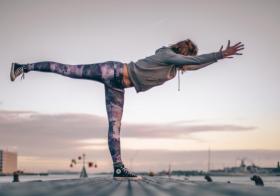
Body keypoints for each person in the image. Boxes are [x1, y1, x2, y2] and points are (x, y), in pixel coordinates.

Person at [10, 39, 244, 180]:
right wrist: (219, 53)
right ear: (184, 52)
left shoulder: (173, 68)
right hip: (112, 71)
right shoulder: (165, 54)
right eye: (188, 56)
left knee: (115, 127)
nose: (187, 61)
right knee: (68, 70)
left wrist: (217, 59)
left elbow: (195, 66)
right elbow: (192, 62)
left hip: (119, 87)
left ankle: (119, 169)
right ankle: (23, 67)